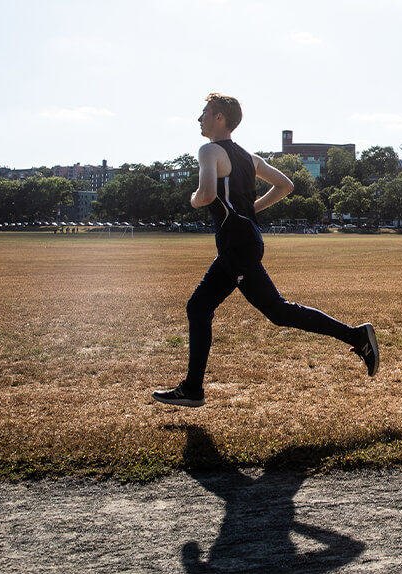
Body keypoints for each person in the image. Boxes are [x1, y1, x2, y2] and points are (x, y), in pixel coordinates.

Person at [153, 93, 378, 408]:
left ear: (219, 118)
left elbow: (204, 195)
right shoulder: (249, 157)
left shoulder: (209, 151)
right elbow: (286, 185)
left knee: (277, 311)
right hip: (242, 242)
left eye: (204, 112)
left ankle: (357, 336)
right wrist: (250, 210)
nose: (199, 118)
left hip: (237, 245)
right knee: (199, 307)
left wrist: (193, 199)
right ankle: (192, 388)